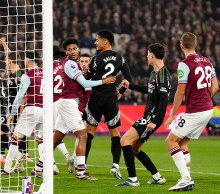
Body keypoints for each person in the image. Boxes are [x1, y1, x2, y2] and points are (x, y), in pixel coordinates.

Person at [53, 38, 116, 180]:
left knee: (57, 137)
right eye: (69, 49)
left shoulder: (73, 64)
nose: (72, 51)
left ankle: (40, 166)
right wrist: (104, 81)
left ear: (78, 49)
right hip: (68, 102)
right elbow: (84, 82)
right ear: (66, 52)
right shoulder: (71, 64)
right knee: (82, 135)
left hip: (66, 102)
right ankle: (81, 172)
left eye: (74, 48)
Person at [164, 32, 218, 191]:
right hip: (209, 109)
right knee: (182, 142)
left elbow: (180, 92)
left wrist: (173, 114)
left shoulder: (184, 64)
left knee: (170, 141)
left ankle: (185, 178)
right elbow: (215, 87)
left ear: (181, 46)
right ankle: (186, 176)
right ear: (196, 45)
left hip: (196, 110)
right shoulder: (208, 62)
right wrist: (206, 99)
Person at [116, 43, 170, 186]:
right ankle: (157, 177)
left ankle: (133, 179)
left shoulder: (163, 74)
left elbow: (164, 101)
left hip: (151, 118)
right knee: (135, 148)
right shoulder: (154, 73)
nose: (146, 57)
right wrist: (130, 86)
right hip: (150, 117)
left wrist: (155, 121)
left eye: (147, 54)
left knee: (124, 141)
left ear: (152, 55)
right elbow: (149, 90)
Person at [84, 29, 132, 179]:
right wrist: (120, 91)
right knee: (115, 133)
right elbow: (128, 79)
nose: (95, 42)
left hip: (96, 97)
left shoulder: (95, 58)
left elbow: (89, 80)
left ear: (106, 41)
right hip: (111, 97)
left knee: (89, 133)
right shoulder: (120, 58)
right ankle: (115, 166)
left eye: (97, 40)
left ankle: (82, 166)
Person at [0, 51, 44, 175]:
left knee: (15, 138)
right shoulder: (45, 73)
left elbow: (20, 95)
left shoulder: (27, 75)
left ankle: (6, 168)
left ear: (28, 61)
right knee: (41, 140)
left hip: (31, 108)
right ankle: (42, 167)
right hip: (44, 109)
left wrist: (13, 112)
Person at [0, 37, 32, 163]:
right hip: (10, 105)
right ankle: (21, 155)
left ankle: (25, 154)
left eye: (7, 59)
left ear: (11, 62)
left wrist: (20, 111)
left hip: (19, 106)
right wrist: (4, 44)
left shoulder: (20, 74)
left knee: (19, 131)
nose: (5, 60)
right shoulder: (10, 73)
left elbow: (23, 95)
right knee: (14, 131)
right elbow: (9, 54)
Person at [52, 46, 72, 173]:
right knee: (56, 135)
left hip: (52, 103)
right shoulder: (65, 66)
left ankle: (52, 165)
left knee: (43, 138)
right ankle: (67, 156)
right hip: (64, 103)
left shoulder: (48, 67)